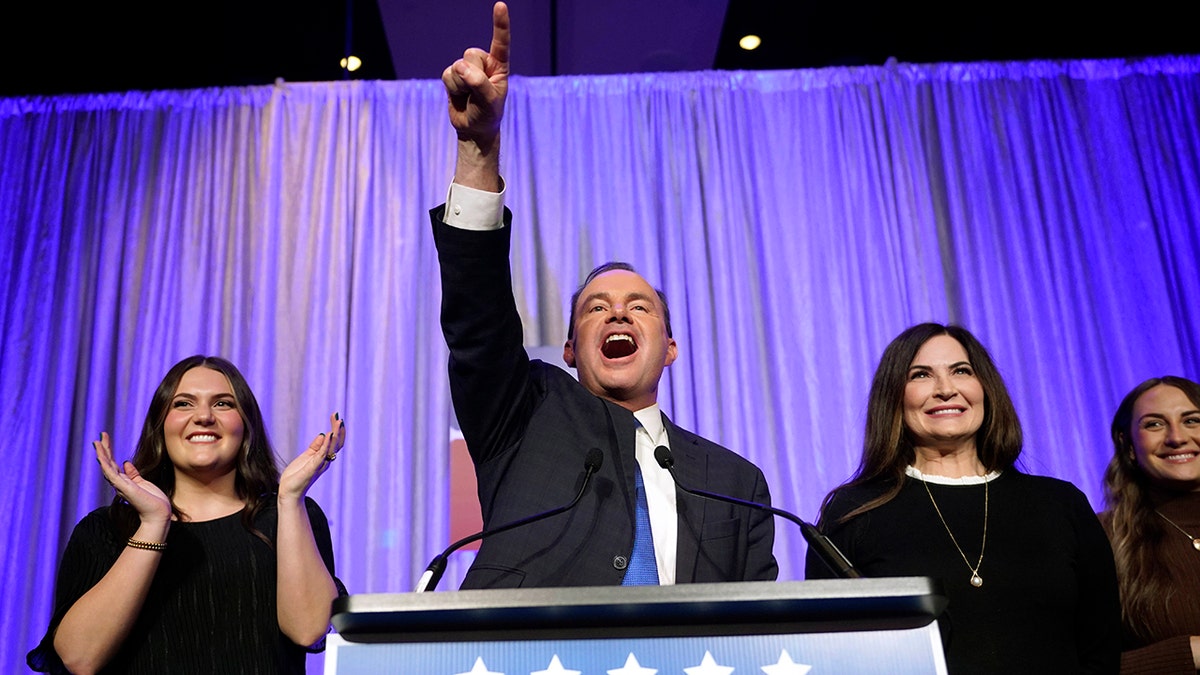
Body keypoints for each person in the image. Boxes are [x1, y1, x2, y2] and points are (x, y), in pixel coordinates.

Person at [429, 1, 777, 589]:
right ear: (569, 349)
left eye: (639, 307)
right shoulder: (522, 417)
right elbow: (477, 317)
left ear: (669, 348)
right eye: (597, 308)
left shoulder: (735, 482)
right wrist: (479, 149)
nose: (618, 311)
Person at [805, 322, 1120, 674]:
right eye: (921, 375)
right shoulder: (853, 513)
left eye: (961, 371)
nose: (945, 389)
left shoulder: (1061, 504)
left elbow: (1101, 648)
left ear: (985, 387)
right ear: (893, 396)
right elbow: (830, 654)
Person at [28, 355, 347, 674]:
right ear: (160, 424)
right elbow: (80, 658)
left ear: (246, 425)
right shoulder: (106, 529)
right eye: (183, 404)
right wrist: (154, 523)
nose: (204, 416)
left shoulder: (290, 514)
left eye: (223, 404)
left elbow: (309, 630)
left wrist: (290, 497)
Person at [1100, 376, 1200, 674]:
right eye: (1154, 424)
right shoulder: (1103, 538)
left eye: (1192, 420)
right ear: (1128, 444)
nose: (1176, 437)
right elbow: (1076, 666)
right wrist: (1189, 653)